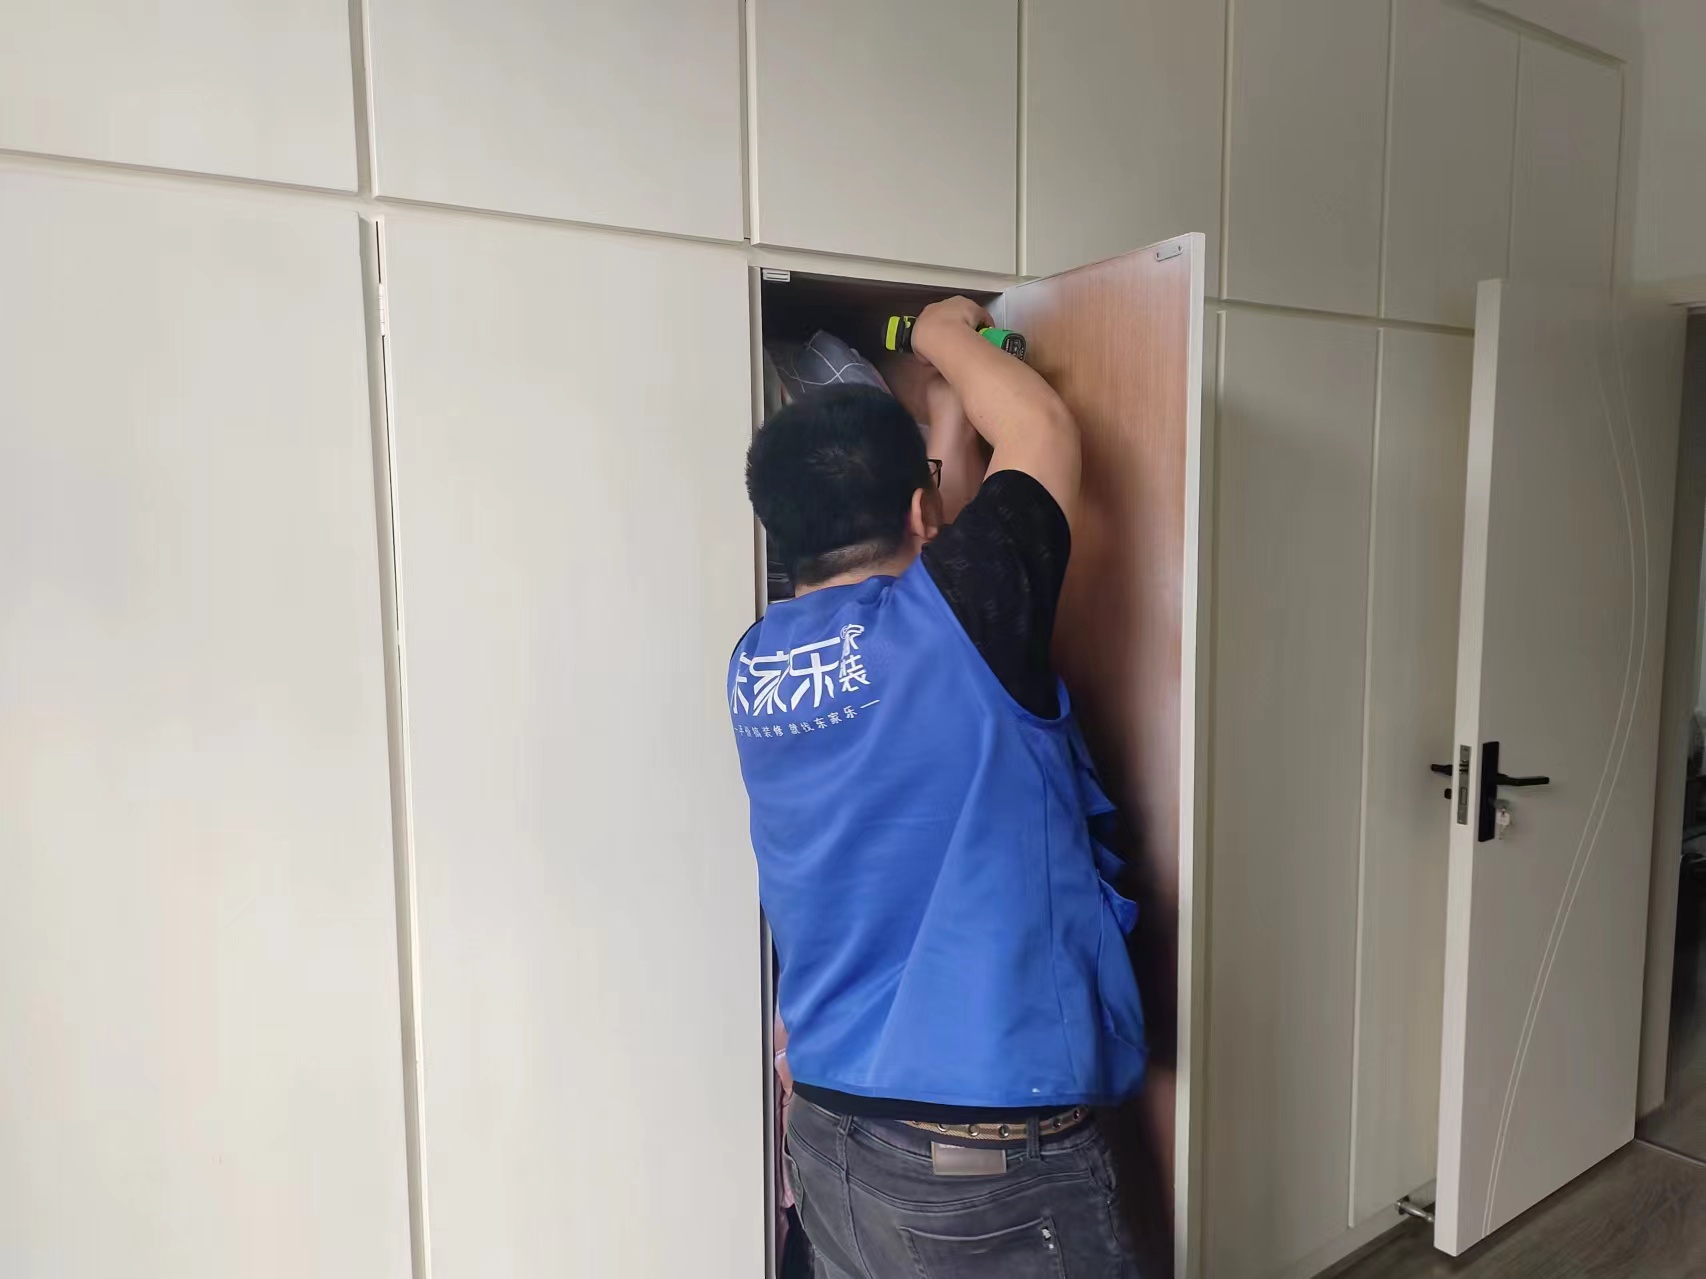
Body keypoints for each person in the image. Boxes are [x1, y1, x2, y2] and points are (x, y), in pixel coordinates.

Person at [729, 297, 1147, 1278]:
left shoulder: (756, 664)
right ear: (923, 513)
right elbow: (1042, 429)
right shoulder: (959, 616)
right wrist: (941, 336)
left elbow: (947, 561)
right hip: (978, 1172)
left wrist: (949, 417)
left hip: (830, 1134)